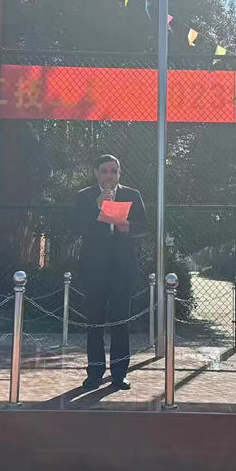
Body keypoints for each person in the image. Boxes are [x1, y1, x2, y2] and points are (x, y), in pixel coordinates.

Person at [73, 155, 148, 391]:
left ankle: (119, 374)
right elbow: (75, 226)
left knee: (121, 323)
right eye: (104, 171)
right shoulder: (85, 196)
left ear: (119, 173)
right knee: (94, 323)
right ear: (96, 173)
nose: (109, 175)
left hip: (122, 268)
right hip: (94, 268)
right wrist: (97, 207)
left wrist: (129, 227)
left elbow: (145, 225)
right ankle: (94, 373)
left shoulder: (132, 195)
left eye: (113, 171)